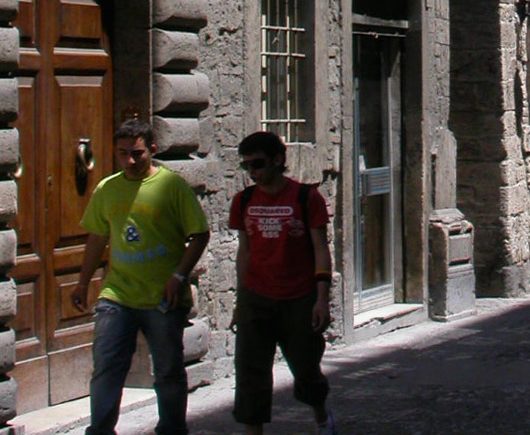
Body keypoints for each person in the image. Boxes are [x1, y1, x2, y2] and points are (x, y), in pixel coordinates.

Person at [71, 117, 210, 435]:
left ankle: (172, 429)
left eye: (137, 154)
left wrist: (179, 276)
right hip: (117, 295)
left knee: (168, 371)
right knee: (107, 366)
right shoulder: (108, 188)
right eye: (122, 154)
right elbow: (96, 237)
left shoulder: (170, 186)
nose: (129, 161)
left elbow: (199, 234)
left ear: (153, 150)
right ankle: (102, 430)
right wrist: (82, 282)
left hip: (162, 297)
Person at [230, 131, 335, 435]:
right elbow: (244, 250)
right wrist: (241, 300)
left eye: (258, 164)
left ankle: (320, 416)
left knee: (306, 370)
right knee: (250, 373)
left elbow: (320, 249)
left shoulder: (306, 198)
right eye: (247, 166)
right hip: (256, 297)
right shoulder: (244, 200)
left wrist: (321, 298)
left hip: (298, 298)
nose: (253, 172)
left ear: (278, 160)